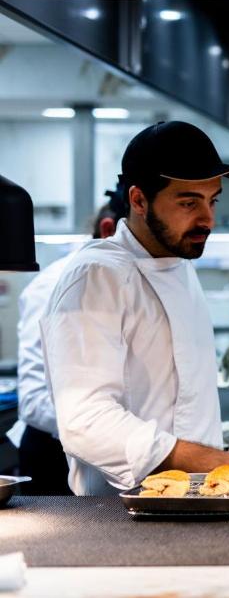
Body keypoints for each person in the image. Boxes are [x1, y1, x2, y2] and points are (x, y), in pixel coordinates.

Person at [40, 121, 229, 495]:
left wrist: (224, 460)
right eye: (188, 202)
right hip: (121, 516)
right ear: (138, 200)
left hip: (196, 501)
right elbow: (85, 421)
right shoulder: (96, 276)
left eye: (212, 200)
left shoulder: (180, 264)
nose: (208, 220)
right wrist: (216, 461)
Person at [6, 189, 127, 495]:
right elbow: (33, 402)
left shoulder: (124, 283)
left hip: (112, 453)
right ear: (108, 230)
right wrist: (100, 431)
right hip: (54, 455)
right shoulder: (53, 285)